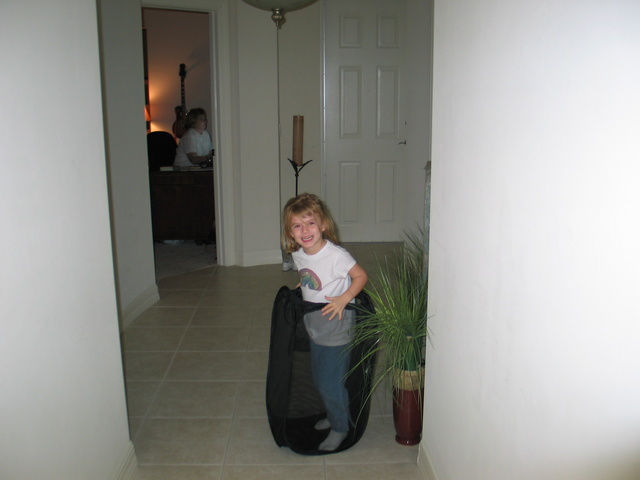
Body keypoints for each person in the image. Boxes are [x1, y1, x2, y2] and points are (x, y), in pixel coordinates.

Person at [281, 193, 368, 451]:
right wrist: (304, 284)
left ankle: (341, 427)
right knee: (321, 380)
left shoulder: (336, 255)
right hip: (315, 325)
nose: (304, 231)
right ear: (290, 232)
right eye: (297, 225)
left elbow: (361, 276)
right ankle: (333, 416)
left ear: (323, 225)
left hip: (337, 324)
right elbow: (310, 273)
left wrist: (345, 298)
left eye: (310, 223)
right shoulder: (299, 254)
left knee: (331, 383)